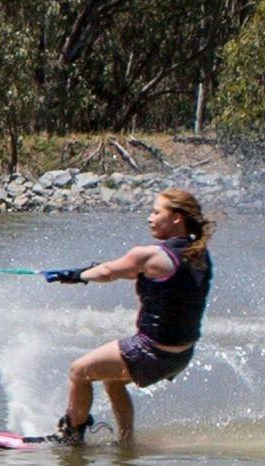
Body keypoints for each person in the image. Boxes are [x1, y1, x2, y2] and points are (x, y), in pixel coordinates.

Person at [40, 186, 213, 442]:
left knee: (79, 371)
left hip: (152, 352)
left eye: (156, 212)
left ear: (177, 218)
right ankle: (126, 442)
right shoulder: (197, 254)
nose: (149, 218)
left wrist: (74, 275)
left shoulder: (150, 255)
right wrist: (84, 273)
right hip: (180, 354)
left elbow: (109, 272)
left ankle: (71, 437)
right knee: (113, 380)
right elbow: (127, 271)